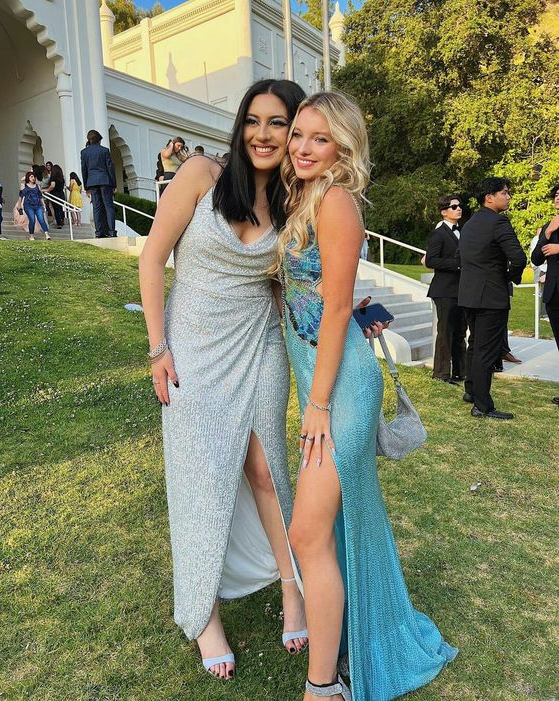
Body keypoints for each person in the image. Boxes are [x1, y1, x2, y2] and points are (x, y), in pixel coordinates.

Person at [274, 91, 457, 701]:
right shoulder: (303, 198)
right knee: (330, 526)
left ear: (343, 148)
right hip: (325, 380)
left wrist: (318, 404)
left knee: (307, 532)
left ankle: (323, 686)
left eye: (319, 138)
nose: (302, 147)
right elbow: (325, 294)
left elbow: (332, 310)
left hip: (342, 388)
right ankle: (352, 640)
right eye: (299, 134)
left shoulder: (336, 202)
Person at [138, 79, 308, 682]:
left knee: (267, 470)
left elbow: (296, 285)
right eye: (254, 121)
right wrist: (158, 348)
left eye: (278, 123)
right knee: (201, 478)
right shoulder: (200, 176)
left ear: (294, 132)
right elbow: (152, 257)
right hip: (191, 351)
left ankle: (292, 587)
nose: (264, 134)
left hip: (259, 345)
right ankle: (204, 612)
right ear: (240, 127)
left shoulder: (295, 202)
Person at [458, 177, 527, 420]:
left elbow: (462, 258)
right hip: (491, 296)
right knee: (486, 351)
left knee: (476, 345)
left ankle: (471, 392)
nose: (508, 197)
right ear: (489, 197)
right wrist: (509, 277)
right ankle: (482, 406)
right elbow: (519, 258)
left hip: (469, 294)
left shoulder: (469, 223)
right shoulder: (499, 221)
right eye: (504, 193)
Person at [425, 195, 467, 384]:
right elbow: (431, 260)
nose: (459, 209)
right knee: (445, 332)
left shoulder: (463, 231)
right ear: (444, 212)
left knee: (460, 331)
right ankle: (441, 373)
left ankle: (461, 371)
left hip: (461, 290)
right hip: (444, 290)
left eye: (459, 206)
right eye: (454, 206)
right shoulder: (438, 233)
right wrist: (457, 264)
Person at [531, 183, 559, 405]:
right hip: (553, 294)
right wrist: (547, 233)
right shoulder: (549, 225)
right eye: (556, 195)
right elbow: (536, 258)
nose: (558, 198)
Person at [81, 130, 117, 238]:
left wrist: (86, 186)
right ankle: (111, 231)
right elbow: (110, 168)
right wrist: (114, 184)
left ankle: (99, 232)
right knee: (109, 206)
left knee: (96, 207)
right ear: (99, 140)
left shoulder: (84, 152)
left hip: (92, 182)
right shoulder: (105, 151)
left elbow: (84, 170)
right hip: (105, 180)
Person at [20, 171, 51, 241]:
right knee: (32, 220)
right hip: (28, 205)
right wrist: (22, 180)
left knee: (41, 219)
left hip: (38, 205)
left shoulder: (37, 186)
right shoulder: (24, 185)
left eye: (34, 177)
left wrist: (43, 204)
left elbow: (40, 196)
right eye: (31, 177)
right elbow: (21, 195)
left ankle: (47, 234)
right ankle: (31, 235)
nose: (33, 178)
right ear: (28, 178)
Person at [43, 164, 66, 229]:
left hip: (55, 194)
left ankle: (59, 223)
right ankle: (62, 220)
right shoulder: (62, 178)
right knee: (60, 208)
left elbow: (52, 186)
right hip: (61, 194)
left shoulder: (53, 177)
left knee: (56, 209)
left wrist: (45, 190)